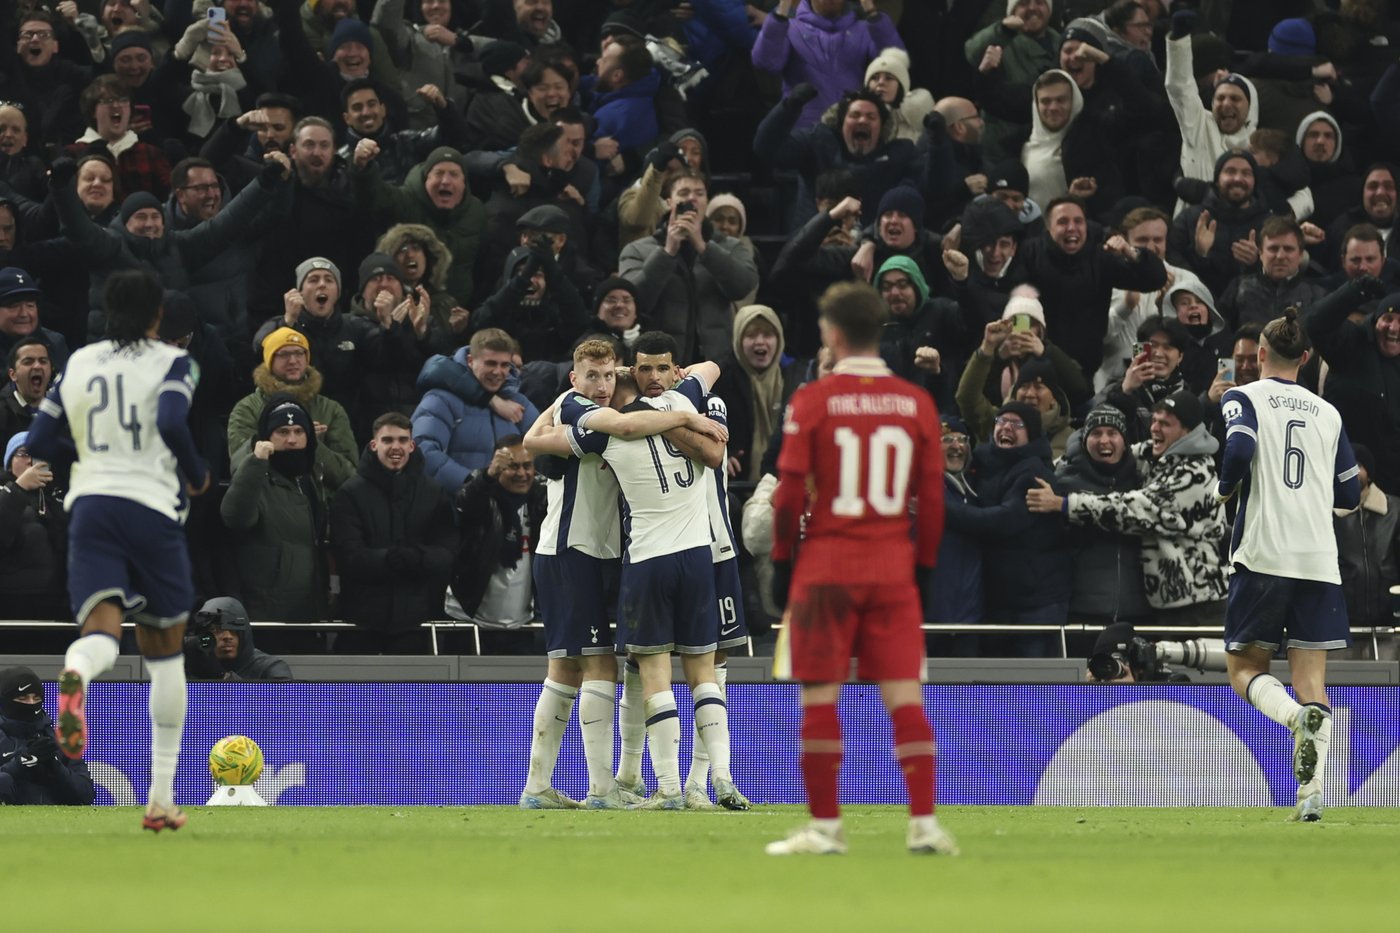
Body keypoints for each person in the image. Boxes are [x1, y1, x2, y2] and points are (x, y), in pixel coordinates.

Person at [767, 281, 956, 856]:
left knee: (820, 700)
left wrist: (781, 562)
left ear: (833, 333)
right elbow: (933, 498)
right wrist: (921, 568)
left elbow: (788, 495)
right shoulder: (917, 403)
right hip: (892, 570)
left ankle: (826, 829)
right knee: (905, 699)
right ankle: (923, 824)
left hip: (825, 568)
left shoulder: (814, 401)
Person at [26, 269, 211, 832]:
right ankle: (159, 798)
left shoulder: (78, 362)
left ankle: (77, 673)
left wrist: (86, 451)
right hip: (151, 506)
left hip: (91, 506)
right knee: (165, 653)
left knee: (100, 635)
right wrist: (197, 474)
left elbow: (36, 442)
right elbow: (173, 419)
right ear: (158, 316)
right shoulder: (173, 362)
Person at [522, 337, 731, 809]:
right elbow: (609, 427)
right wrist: (685, 415)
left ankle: (546, 786)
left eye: (607, 374)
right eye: (590, 376)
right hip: (571, 550)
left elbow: (707, 366)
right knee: (596, 665)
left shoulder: (636, 402)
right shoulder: (581, 411)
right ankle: (601, 790)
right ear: (573, 379)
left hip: (604, 553)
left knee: (574, 667)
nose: (599, 385)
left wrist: (663, 389)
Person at [1217, 310, 1361, 822]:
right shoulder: (1329, 413)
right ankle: (1312, 797)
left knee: (1245, 669)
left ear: (1259, 354)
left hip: (1263, 555)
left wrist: (1224, 489)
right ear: (1306, 358)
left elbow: (1238, 450)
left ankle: (1293, 718)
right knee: (1313, 681)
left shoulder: (1241, 396)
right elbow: (1348, 494)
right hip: (1319, 560)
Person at [330, 412, 457, 654]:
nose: (395, 447)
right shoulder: (350, 493)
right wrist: (391, 560)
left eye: (402, 440)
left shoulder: (433, 492)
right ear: (374, 444)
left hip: (416, 620)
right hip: (360, 621)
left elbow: (447, 551)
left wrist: (416, 558)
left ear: (412, 445)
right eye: (388, 440)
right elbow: (349, 555)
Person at [221, 393, 330, 624]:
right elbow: (235, 516)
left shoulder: (310, 478)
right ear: (266, 437)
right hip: (268, 614)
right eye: (282, 432)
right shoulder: (256, 475)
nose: (292, 440)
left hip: (310, 612)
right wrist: (255, 462)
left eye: (299, 432)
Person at [448, 434, 546, 653]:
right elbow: (465, 502)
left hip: (522, 622)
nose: (522, 473)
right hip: (469, 620)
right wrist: (488, 476)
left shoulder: (541, 496)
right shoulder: (482, 490)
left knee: (519, 688)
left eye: (527, 465)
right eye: (512, 466)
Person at [0, 666, 95, 806]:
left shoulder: (57, 740)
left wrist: (55, 767)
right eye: (23, 698)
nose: (31, 704)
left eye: (36, 698)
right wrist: (20, 763)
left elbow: (86, 794)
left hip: (58, 825)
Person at [182, 597, 293, 682]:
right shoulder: (189, 666)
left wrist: (223, 677)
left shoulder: (270, 668)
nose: (227, 636)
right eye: (216, 630)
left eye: (234, 628)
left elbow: (283, 708)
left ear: (244, 632)